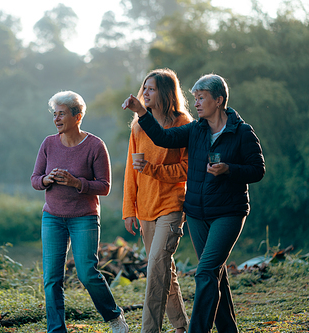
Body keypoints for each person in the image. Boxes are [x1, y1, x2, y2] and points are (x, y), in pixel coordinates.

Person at [122, 74, 265, 333]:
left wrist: (229, 169)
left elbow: (257, 170)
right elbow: (164, 138)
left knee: (204, 272)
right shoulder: (196, 130)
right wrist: (142, 113)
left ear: (219, 100)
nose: (196, 102)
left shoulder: (241, 132)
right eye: (195, 97)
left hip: (228, 212)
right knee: (215, 275)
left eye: (202, 98)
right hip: (198, 214)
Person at [31, 90, 129, 333]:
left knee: (87, 273)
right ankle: (56, 330)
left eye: (61, 114)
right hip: (52, 217)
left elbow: (105, 187)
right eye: (54, 114)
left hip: (84, 217)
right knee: (52, 278)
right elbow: (34, 179)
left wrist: (77, 183)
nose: (56, 119)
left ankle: (115, 317)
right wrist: (47, 180)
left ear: (78, 116)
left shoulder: (95, 146)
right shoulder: (48, 143)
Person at [123, 69, 191, 333]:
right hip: (145, 207)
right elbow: (131, 171)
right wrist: (129, 209)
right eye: (145, 88)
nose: (146, 93)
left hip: (172, 204)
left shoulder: (183, 122)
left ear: (165, 93)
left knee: (155, 267)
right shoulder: (139, 125)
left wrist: (153, 169)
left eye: (151, 89)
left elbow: (187, 168)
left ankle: (149, 330)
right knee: (165, 270)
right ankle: (182, 327)